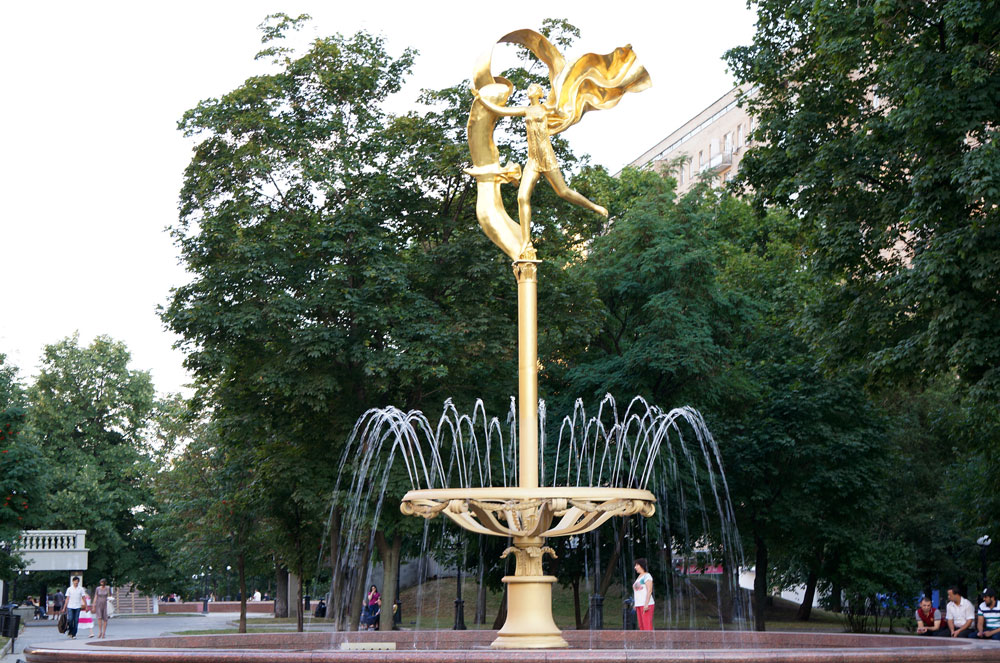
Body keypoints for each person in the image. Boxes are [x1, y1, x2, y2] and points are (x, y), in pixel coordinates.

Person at [470, 83, 608, 258]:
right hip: (533, 160)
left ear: (540, 93)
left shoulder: (547, 109)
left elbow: (570, 110)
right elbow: (502, 111)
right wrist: (481, 99)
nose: (530, 90)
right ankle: (526, 242)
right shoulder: (526, 110)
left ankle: (595, 207)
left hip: (547, 158)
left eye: (533, 88)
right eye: (528, 88)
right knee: (522, 197)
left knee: (563, 192)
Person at [632, 558, 655, 631]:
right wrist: (635, 603)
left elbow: (649, 590)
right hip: (639, 604)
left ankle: (649, 638)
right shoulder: (639, 577)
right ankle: (643, 638)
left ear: (641, 565)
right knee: (641, 625)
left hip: (646, 604)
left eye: (637, 565)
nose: (635, 567)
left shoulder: (647, 576)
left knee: (647, 625)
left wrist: (646, 604)